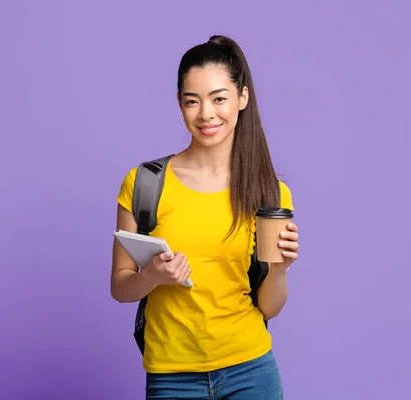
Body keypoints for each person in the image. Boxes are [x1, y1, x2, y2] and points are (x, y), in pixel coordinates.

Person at [110, 35, 300, 400]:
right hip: (172, 376)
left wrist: (280, 269)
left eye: (219, 98)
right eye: (191, 101)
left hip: (251, 372)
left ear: (242, 98)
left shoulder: (270, 193)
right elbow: (120, 287)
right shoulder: (145, 184)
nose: (206, 114)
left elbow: (268, 309)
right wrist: (153, 275)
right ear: (179, 104)